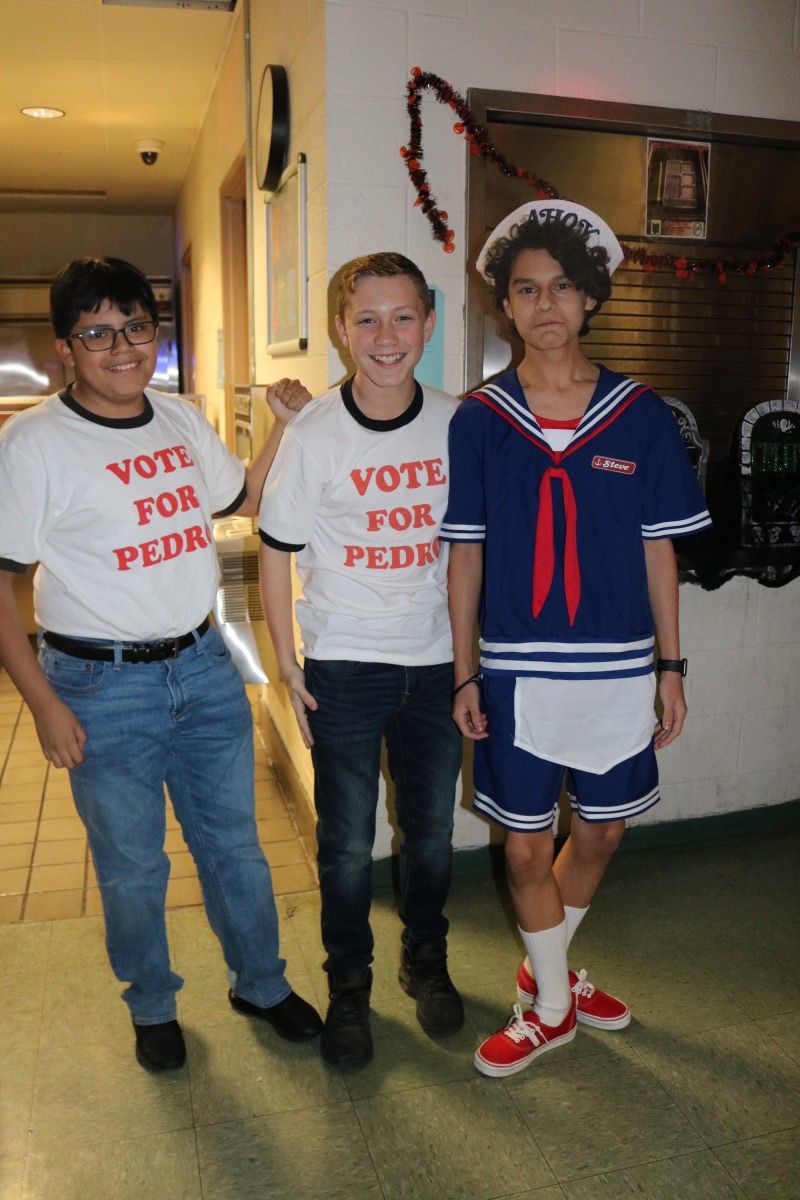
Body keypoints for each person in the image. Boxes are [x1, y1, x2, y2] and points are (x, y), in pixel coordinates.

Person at [0, 256, 322, 1072]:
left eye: (135, 327)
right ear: (66, 348)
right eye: (97, 332)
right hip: (101, 687)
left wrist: (283, 426)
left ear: (154, 333)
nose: (120, 347)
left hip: (205, 669)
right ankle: (151, 1003)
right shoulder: (32, 443)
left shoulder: (178, 420)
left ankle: (260, 982)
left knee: (235, 849)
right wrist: (42, 703)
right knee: (134, 865)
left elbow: (240, 500)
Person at [441, 201, 711, 1077]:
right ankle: (553, 1006)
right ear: (506, 306)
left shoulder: (640, 416)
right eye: (527, 290)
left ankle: (544, 960)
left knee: (599, 834)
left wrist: (671, 666)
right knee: (523, 842)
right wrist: (466, 673)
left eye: (562, 287)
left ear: (589, 298)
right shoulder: (480, 420)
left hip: (618, 664)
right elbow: (467, 559)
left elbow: (658, 548)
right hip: (518, 668)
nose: (545, 304)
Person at [258, 252, 464, 1070]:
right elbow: (276, 552)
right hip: (343, 665)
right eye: (367, 319)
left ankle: (427, 962)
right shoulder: (313, 434)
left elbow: (477, 545)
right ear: (343, 331)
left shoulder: (457, 421)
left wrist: (476, 653)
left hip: (438, 661)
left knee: (433, 834)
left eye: (403, 316)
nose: (386, 336)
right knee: (346, 845)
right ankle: (350, 987)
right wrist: (286, 659)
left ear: (429, 324)